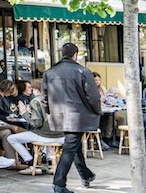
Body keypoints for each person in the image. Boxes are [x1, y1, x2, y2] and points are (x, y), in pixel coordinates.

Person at [41, 43, 102, 193]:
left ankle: (85, 175)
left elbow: (44, 98)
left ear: (62, 54)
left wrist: (50, 112)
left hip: (59, 116)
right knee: (70, 148)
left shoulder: (49, 72)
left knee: (74, 147)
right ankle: (59, 184)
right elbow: (94, 97)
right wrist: (97, 111)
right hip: (77, 116)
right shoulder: (83, 71)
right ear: (75, 55)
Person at [6, 78, 65, 174]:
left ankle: (30, 162)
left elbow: (36, 123)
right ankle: (50, 162)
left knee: (11, 138)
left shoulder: (36, 101)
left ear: (35, 89)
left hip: (44, 136)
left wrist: (24, 112)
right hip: (61, 136)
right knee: (46, 132)